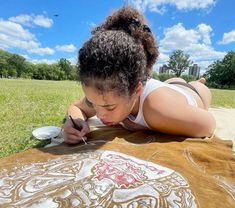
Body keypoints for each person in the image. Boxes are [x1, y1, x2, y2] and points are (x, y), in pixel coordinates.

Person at [63, 6, 216, 144]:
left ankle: (199, 81)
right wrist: (74, 122)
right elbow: (76, 107)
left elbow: (208, 125)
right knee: (173, 83)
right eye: (92, 103)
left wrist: (147, 127)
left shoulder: (158, 111)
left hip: (193, 93)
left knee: (198, 85)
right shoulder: (105, 94)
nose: (99, 114)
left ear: (136, 90)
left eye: (109, 107)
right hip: (168, 87)